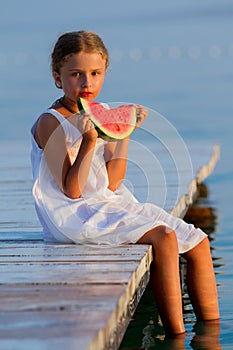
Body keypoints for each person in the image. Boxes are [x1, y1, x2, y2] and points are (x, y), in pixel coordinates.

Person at [30, 30, 220, 337]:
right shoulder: (49, 122)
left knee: (198, 242)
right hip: (70, 215)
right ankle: (177, 335)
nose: (86, 83)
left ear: (105, 73)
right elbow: (71, 190)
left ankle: (212, 334)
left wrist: (125, 132)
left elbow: (114, 181)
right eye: (76, 74)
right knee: (164, 238)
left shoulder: (98, 113)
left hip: (105, 201)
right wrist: (91, 140)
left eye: (95, 73)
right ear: (57, 78)